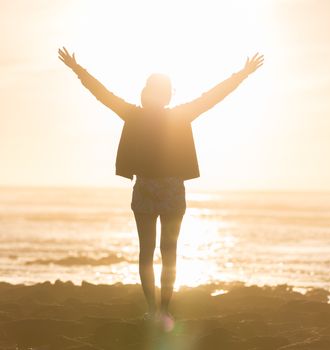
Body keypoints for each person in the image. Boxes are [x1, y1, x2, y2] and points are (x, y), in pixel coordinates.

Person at [58, 47, 264, 327]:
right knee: (169, 253)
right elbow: (212, 97)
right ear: (166, 95)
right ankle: (163, 311)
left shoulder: (134, 114)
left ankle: (154, 310)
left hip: (146, 189)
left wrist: (76, 68)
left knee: (147, 252)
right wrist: (242, 74)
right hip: (170, 191)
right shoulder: (177, 115)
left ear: (147, 93)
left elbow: (101, 93)